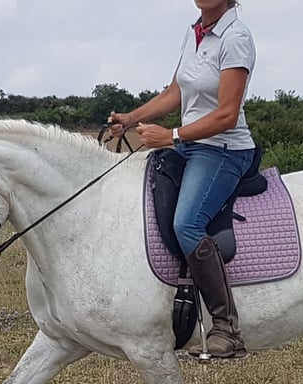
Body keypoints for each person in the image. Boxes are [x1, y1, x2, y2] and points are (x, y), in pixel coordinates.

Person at [109, 0, 256, 359]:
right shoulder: (196, 34)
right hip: (191, 144)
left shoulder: (235, 37)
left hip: (223, 149)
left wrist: (172, 136)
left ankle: (226, 327)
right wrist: (130, 118)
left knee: (187, 223)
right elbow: (175, 93)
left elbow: (226, 114)